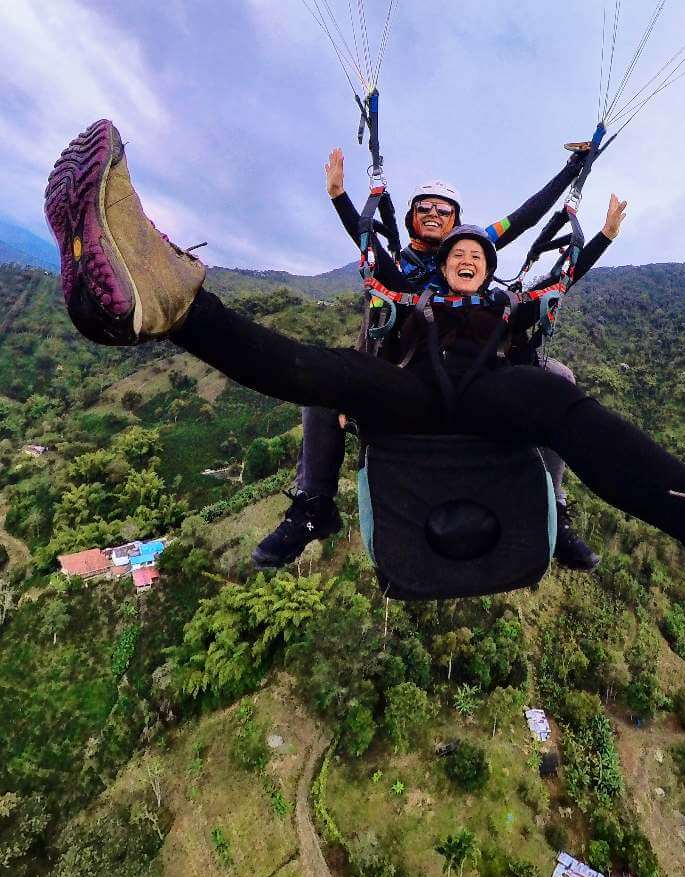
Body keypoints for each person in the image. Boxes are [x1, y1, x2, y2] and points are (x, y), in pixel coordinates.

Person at [45, 120, 685, 646]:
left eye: (473, 245)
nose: (460, 248)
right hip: (407, 391)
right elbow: (371, 235)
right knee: (320, 370)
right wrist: (343, 195)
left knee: (558, 392)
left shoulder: (510, 290)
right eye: (449, 238)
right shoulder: (402, 272)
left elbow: (553, 242)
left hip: (492, 395)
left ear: (488, 257)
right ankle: (156, 303)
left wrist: (586, 183)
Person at [257, 143, 613, 573]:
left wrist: (573, 170)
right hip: (407, 371)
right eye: (423, 206)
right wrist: (339, 197)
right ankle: (314, 505)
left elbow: (527, 217)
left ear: (458, 223)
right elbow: (368, 250)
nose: (433, 213)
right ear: (410, 217)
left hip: (475, 370)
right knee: (321, 381)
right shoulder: (397, 267)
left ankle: (555, 507)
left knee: (557, 376)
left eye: (444, 210)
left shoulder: (475, 248)